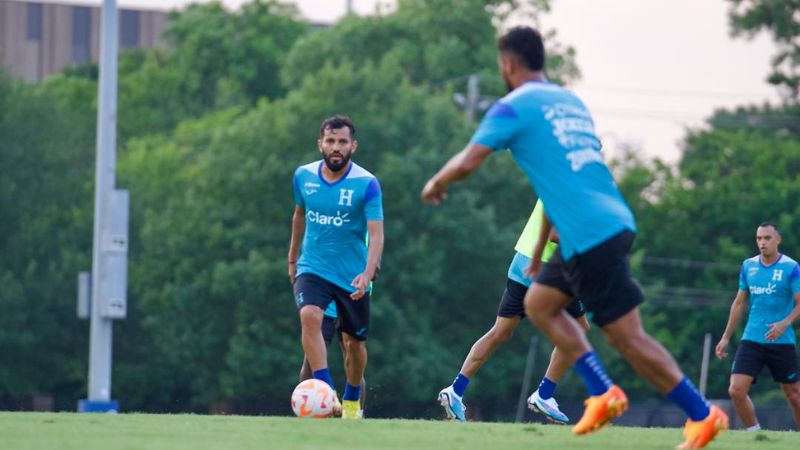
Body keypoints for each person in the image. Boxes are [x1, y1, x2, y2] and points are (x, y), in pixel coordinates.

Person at [421, 26, 727, 448]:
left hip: (587, 233)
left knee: (627, 336)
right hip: (608, 221)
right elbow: (557, 188)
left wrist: (437, 182)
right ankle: (620, 396)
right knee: (542, 304)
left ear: (507, 64)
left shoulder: (514, 106)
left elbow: (470, 159)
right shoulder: (570, 102)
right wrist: (538, 252)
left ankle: (684, 410)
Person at [438, 201, 589, 423]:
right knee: (578, 328)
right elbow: (556, 235)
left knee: (501, 332)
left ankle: (455, 390)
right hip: (547, 267)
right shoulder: (571, 186)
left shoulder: (553, 177)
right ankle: (544, 394)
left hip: (521, 264)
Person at [289, 115, 384, 419]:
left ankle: (353, 402)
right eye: (330, 141)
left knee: (353, 346)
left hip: (352, 276)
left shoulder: (367, 184)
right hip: (313, 267)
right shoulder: (303, 177)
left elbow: (377, 233)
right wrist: (292, 259)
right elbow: (298, 216)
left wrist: (368, 273)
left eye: (342, 142)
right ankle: (326, 394)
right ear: (320, 144)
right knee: (309, 316)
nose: (336, 147)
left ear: (353, 146)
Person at [715, 223, 800, 430]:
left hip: (782, 341)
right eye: (759, 238)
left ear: (777, 239)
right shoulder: (748, 266)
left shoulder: (791, 267)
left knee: (794, 395)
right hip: (752, 339)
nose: (762, 243)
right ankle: (755, 435)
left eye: (767, 238)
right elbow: (739, 302)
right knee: (736, 390)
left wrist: (784, 323)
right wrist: (726, 337)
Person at [297, 302, 367, 416]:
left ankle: (356, 415)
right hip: (324, 304)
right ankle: (307, 413)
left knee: (354, 366)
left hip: (350, 301)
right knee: (311, 361)